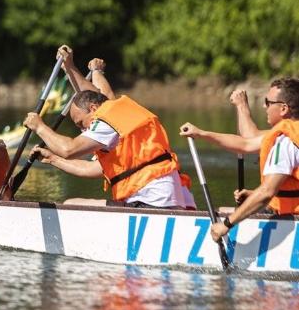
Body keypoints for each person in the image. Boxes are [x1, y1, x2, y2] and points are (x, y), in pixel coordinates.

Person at [25, 45, 196, 209]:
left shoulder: (106, 122)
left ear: (93, 109)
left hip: (152, 201)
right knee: (72, 203)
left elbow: (69, 149)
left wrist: (39, 126)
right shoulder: (121, 117)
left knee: (71, 204)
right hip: (168, 199)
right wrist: (53, 159)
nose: (83, 130)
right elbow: (91, 168)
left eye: (81, 123)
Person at [180, 78, 299, 242]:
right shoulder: (291, 134)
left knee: (218, 216)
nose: (264, 106)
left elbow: (266, 193)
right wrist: (201, 134)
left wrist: (226, 225)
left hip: (289, 218)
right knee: (222, 210)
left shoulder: (285, 142)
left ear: (284, 108)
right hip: (286, 210)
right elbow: (246, 143)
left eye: (268, 102)